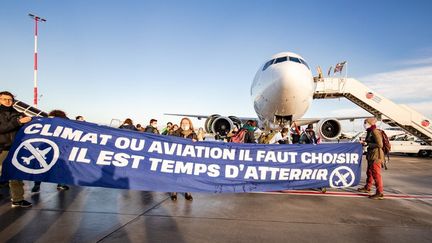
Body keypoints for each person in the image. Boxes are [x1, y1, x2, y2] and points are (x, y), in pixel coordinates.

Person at [0, 91, 32, 207]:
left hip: (15, 148)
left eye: (10, 99)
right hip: (1, 148)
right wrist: (18, 122)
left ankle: (18, 199)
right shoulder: (18, 118)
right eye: (4, 99)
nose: (8, 101)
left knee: (16, 175)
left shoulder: (19, 113)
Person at [32, 109, 70, 193]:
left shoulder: (47, 123)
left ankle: (38, 184)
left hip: (52, 148)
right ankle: (59, 184)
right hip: (54, 148)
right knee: (57, 167)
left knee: (44, 167)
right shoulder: (64, 124)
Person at [357, 118, 385, 200]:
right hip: (371, 156)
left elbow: (380, 144)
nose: (364, 124)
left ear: (370, 123)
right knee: (369, 172)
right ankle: (367, 187)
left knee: (376, 174)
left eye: (365, 123)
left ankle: (380, 193)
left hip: (376, 156)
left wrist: (367, 144)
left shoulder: (375, 131)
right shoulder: (370, 131)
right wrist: (365, 143)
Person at [170, 117, 197, 201]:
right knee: (176, 176)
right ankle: (174, 192)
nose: (184, 124)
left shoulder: (193, 134)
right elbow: (170, 141)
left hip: (188, 158)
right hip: (177, 157)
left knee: (188, 177)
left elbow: (198, 145)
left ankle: (188, 193)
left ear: (190, 124)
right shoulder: (175, 133)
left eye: (186, 123)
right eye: (183, 123)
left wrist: (195, 141)